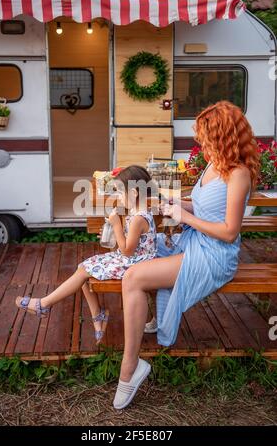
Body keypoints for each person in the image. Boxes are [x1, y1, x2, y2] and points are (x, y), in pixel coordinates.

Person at [113, 100, 260, 410]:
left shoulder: (238, 175)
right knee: (140, 262)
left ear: (223, 136)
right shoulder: (214, 165)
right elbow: (202, 205)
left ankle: (130, 367)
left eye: (205, 137)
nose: (200, 143)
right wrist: (167, 205)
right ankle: (143, 334)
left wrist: (184, 217)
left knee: (134, 277)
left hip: (215, 254)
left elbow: (230, 232)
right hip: (196, 242)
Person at [15, 165, 157, 345]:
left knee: (83, 271)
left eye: (121, 192)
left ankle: (43, 304)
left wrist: (116, 226)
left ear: (135, 193)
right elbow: (132, 245)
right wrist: (116, 234)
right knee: (84, 268)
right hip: (133, 259)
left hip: (135, 265)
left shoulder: (138, 218)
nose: (119, 197)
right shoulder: (138, 212)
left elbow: (128, 250)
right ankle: (98, 316)